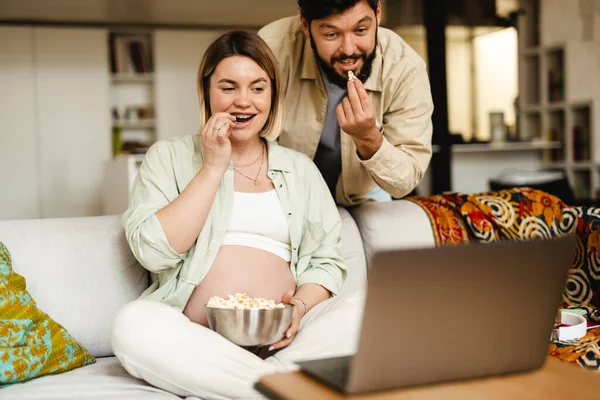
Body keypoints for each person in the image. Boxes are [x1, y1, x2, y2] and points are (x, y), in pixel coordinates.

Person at [110, 31, 364, 400]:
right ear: (206, 92)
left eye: (258, 88)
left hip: (285, 340)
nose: (243, 101)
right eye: (228, 87)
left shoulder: (299, 169)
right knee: (131, 325)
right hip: (198, 338)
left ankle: (254, 384)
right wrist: (213, 167)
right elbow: (153, 252)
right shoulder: (168, 157)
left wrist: (299, 307)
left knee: (365, 308)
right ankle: (282, 389)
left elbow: (325, 261)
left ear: (272, 95)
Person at [258, 0, 434, 206]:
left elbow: (404, 182)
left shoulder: (405, 68)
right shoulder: (272, 49)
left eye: (361, 30)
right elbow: (247, 146)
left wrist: (369, 138)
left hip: (366, 196)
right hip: (283, 195)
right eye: (332, 34)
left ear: (378, 14)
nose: (349, 50)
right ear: (305, 25)